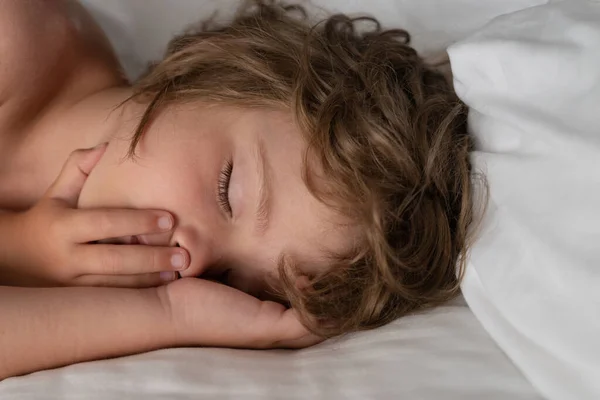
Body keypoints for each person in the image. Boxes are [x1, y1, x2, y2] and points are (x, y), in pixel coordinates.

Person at [0, 0, 473, 379]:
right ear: (208, 75)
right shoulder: (18, 37)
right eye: (225, 191)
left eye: (224, 280)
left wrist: (167, 314)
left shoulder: (71, 270)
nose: (190, 262)